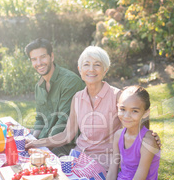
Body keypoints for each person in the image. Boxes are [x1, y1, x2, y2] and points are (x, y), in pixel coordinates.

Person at [26, 46, 160, 172]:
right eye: (86, 64)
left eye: (97, 65)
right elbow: (67, 135)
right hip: (77, 158)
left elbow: (138, 116)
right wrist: (37, 143)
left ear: (105, 70)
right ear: (80, 69)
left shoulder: (117, 96)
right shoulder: (77, 98)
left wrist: (149, 135)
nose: (91, 69)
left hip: (104, 163)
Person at [104, 85, 161, 180]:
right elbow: (112, 172)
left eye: (134, 111)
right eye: (122, 109)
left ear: (146, 113)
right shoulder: (118, 135)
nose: (127, 116)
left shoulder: (147, 141)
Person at [24, 38, 85, 157]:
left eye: (43, 57)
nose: (39, 63)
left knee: (33, 165)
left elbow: (63, 124)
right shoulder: (39, 86)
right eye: (34, 59)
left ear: (52, 57)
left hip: (67, 145)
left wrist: (38, 145)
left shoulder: (69, 81)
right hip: (45, 140)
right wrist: (32, 139)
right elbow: (40, 119)